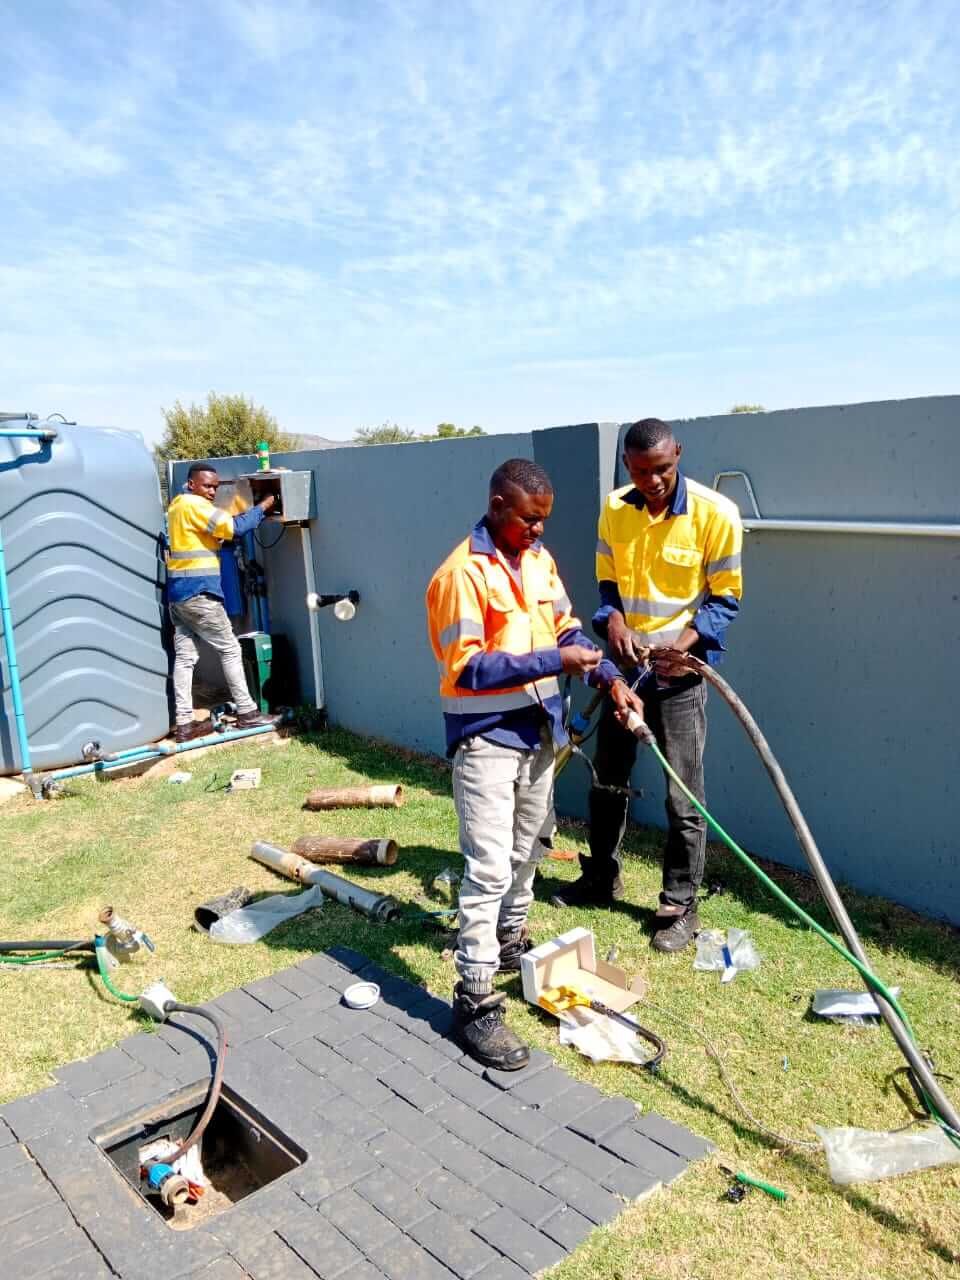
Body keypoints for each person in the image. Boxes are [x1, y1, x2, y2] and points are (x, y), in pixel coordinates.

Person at [426, 458, 644, 1069]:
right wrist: (553, 661)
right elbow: (468, 668)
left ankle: (509, 942)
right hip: (487, 739)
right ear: (498, 506)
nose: (539, 530)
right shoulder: (462, 574)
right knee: (489, 869)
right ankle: (474, 999)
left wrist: (608, 676)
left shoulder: (538, 561)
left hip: (541, 734)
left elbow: (567, 629)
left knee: (529, 851)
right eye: (529, 519)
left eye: (544, 519)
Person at [553, 418, 743, 953]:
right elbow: (607, 586)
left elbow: (725, 599)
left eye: (661, 469)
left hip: (680, 677)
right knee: (607, 779)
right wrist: (613, 623)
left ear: (678, 453)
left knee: (683, 794)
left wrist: (683, 646)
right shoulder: (615, 508)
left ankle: (680, 905)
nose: (652, 481)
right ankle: (601, 876)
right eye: (640, 472)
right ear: (627, 466)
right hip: (624, 671)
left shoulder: (715, 513)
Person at [165, 464, 280, 743]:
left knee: (185, 659)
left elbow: (215, 534)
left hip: (178, 596)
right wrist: (265, 505)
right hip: (200, 594)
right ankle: (248, 712)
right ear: (191, 484)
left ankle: (184, 725)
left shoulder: (177, 506)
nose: (212, 491)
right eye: (207, 485)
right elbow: (236, 528)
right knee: (230, 649)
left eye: (215, 487)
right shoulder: (195, 505)